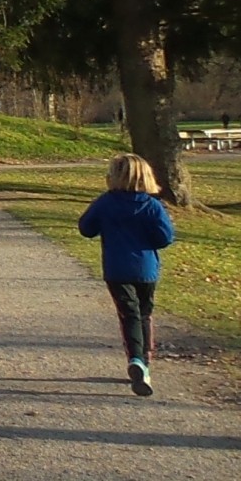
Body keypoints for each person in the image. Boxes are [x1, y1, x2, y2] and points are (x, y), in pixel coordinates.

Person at [79, 153, 175, 396]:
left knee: (128, 314)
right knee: (144, 313)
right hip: (146, 269)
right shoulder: (152, 205)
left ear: (113, 177)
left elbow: (86, 228)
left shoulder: (105, 202)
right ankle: (145, 361)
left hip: (116, 269)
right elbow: (165, 238)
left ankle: (136, 359)